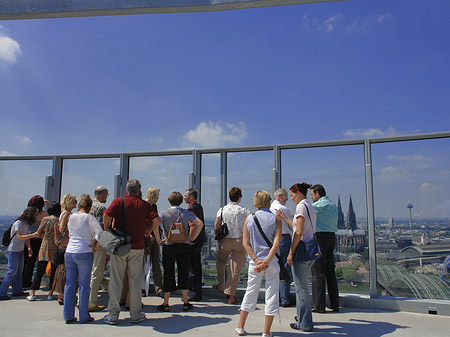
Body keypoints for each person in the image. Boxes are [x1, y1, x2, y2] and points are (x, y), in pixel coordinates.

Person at [102, 179, 161, 325]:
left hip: (120, 246)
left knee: (116, 280)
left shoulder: (118, 202)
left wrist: (107, 230)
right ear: (139, 191)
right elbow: (157, 220)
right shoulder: (144, 205)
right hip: (137, 246)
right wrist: (147, 231)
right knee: (135, 281)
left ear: (127, 190)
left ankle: (113, 315)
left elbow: (106, 215)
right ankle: (135, 314)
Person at [236, 190, 282, 337]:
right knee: (272, 295)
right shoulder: (276, 218)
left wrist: (257, 261)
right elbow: (276, 244)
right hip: (271, 262)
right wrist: (267, 261)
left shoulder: (249, 218)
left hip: (254, 263)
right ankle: (266, 331)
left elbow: (245, 243)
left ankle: (240, 326)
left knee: (250, 292)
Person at [157, 191, 204, 312]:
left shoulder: (164, 213)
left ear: (169, 201)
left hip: (169, 245)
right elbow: (199, 224)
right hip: (184, 245)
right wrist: (191, 237)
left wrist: (159, 239)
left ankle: (166, 303)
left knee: (168, 273)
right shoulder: (186, 212)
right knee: (183, 272)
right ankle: (186, 301)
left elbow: (154, 224)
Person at [282, 182, 317, 332]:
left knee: (301, 289)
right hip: (310, 251)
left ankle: (305, 323)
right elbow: (297, 226)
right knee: (302, 287)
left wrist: (291, 252)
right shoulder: (309, 206)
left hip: (301, 252)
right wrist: (285, 218)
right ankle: (302, 317)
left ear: (299, 194)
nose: (291, 199)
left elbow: (298, 232)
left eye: (291, 195)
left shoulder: (301, 207)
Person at [63, 194, 103, 324]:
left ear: (79, 205)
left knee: (69, 284)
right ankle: (83, 315)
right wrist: (95, 243)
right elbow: (100, 232)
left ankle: (68, 315)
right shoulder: (89, 217)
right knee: (84, 285)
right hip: (84, 251)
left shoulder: (71, 217)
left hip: (70, 251)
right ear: (90, 206)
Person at [213, 187, 250, 305]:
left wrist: (219, 238)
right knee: (235, 269)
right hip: (239, 241)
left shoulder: (222, 209)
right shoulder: (243, 211)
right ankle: (231, 295)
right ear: (239, 198)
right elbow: (249, 224)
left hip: (225, 240)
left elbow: (216, 225)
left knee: (221, 262)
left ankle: (221, 284)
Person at [310, 184, 339, 313]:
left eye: (312, 195)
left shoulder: (320, 205)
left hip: (320, 238)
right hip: (332, 238)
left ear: (317, 194)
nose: (311, 198)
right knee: (330, 272)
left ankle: (318, 306)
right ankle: (334, 303)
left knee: (317, 272)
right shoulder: (333, 205)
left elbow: (306, 211)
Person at [0, 207, 37, 300]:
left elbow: (25, 237)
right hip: (13, 250)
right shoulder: (19, 223)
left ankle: (17, 291)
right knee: (12, 271)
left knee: (18, 272)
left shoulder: (24, 224)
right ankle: (2, 291)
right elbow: (20, 236)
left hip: (19, 250)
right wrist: (33, 235)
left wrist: (29, 247)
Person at [26, 202, 61, 301]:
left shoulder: (46, 219)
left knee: (39, 271)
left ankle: (33, 293)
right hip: (55, 247)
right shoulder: (59, 220)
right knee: (54, 272)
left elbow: (39, 232)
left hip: (45, 246)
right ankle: (51, 293)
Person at [270, 188, 294, 307]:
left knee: (274, 269)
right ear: (280, 196)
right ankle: (285, 299)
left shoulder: (269, 209)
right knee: (285, 270)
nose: (287, 199)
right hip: (284, 239)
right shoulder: (283, 209)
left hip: (273, 240)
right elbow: (292, 226)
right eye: (285, 196)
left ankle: (275, 299)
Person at [53, 193, 77, 305]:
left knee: (62, 270)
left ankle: (61, 295)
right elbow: (62, 227)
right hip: (65, 244)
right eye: (74, 201)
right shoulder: (67, 214)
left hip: (62, 245)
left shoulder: (64, 213)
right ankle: (62, 295)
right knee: (64, 271)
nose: (76, 203)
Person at [88, 186, 109, 312]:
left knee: (87, 272)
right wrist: (99, 244)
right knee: (96, 273)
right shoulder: (101, 208)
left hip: (86, 243)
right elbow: (101, 229)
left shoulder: (87, 206)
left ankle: (83, 298)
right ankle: (91, 302)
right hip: (97, 244)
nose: (107, 197)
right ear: (102, 195)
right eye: (106, 195)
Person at [22, 195, 49, 288]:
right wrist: (47, 204)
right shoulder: (41, 213)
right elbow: (50, 216)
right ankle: (27, 281)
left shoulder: (26, 212)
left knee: (25, 261)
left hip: (25, 237)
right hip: (36, 238)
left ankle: (21, 280)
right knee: (31, 261)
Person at [184, 188, 206, 302]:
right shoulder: (199, 207)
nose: (184, 197)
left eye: (186, 195)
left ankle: (193, 292)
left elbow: (193, 224)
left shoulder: (191, 209)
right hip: (200, 240)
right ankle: (198, 291)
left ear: (191, 197)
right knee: (197, 266)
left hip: (194, 242)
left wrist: (190, 238)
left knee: (192, 267)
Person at [144, 187, 163, 297]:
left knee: (150, 263)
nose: (158, 198)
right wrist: (157, 238)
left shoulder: (149, 206)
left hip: (149, 237)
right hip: (149, 237)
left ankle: (148, 287)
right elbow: (155, 224)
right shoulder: (149, 206)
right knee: (155, 262)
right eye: (157, 196)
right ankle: (158, 288)